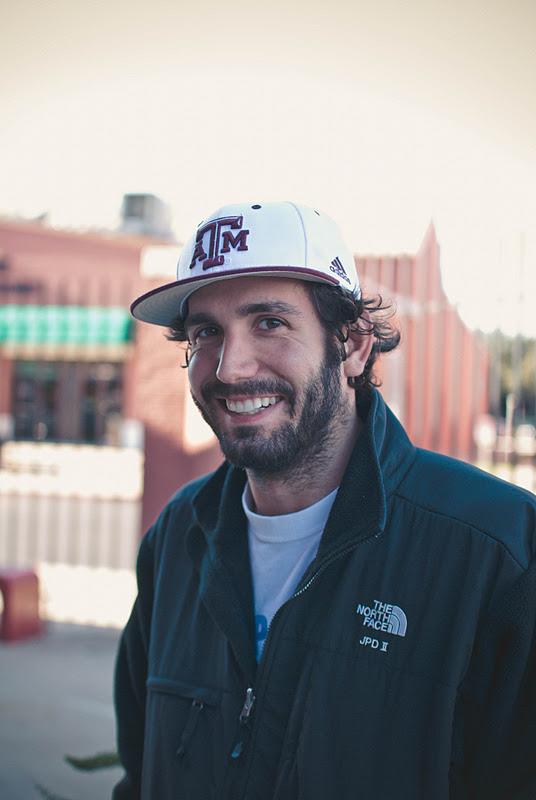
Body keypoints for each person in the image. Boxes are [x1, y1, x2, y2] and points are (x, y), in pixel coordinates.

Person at [114, 201, 536, 800]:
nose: (230, 368)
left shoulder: (498, 552)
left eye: (269, 322)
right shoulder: (177, 537)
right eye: (206, 332)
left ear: (354, 345)